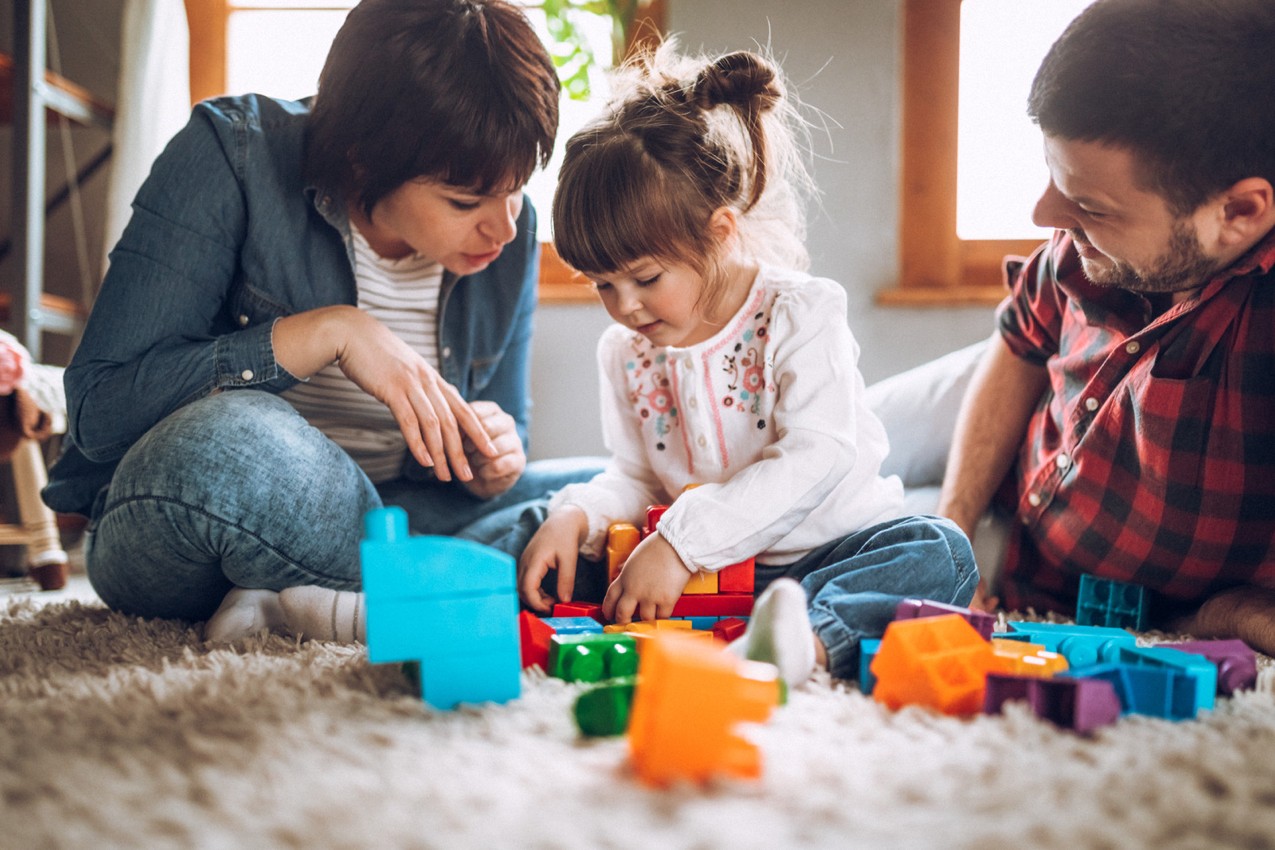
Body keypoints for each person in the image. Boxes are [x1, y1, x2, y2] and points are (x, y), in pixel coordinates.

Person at [42, 0, 599, 641]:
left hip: (401, 509)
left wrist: (490, 461)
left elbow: (503, 432)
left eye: (517, 188)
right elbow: (99, 409)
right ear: (363, 159)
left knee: (606, 496)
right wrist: (329, 332)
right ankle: (436, 586)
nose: (505, 225)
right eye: (465, 200)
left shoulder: (509, 230)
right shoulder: (233, 153)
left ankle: (302, 600)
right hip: (205, 508)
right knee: (235, 440)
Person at [516, 46, 979, 688]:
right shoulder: (625, 352)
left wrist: (681, 544)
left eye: (645, 278)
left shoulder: (801, 313)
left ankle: (803, 639)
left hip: (827, 554)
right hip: (704, 575)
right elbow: (635, 475)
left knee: (941, 552)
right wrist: (581, 516)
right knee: (547, 535)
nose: (623, 306)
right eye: (601, 285)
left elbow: (820, 454)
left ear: (721, 232)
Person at [929, 0, 1275, 652]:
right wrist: (954, 530)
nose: (1042, 214)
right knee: (830, 461)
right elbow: (1016, 349)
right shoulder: (1081, 242)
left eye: (1087, 204)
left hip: (1115, 598)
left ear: (1239, 211)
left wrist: (1226, 615)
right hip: (1007, 471)